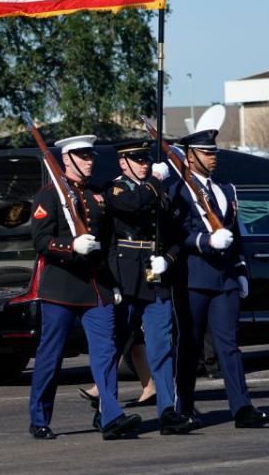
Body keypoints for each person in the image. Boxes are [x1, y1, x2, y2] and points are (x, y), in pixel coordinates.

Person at [27, 135, 141, 440]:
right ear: (67, 160)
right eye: (83, 156)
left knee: (105, 354)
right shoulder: (49, 196)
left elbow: (108, 244)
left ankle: (110, 415)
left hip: (95, 289)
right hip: (62, 289)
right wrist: (70, 246)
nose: (90, 162)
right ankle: (39, 417)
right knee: (51, 356)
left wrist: (113, 282)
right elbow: (40, 242)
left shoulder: (94, 196)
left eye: (91, 156)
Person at [169, 129, 269, 429]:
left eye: (214, 152)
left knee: (229, 345)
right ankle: (184, 406)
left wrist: (240, 270)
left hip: (224, 278)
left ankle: (242, 407)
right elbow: (177, 234)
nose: (213, 157)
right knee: (189, 345)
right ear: (190, 156)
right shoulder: (179, 191)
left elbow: (234, 232)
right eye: (207, 153)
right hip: (194, 277)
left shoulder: (226, 189)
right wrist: (205, 242)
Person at [98, 140, 192, 434]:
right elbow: (133, 203)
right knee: (114, 346)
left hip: (155, 275)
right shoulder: (115, 189)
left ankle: (167, 410)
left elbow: (177, 235)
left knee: (162, 345)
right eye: (138, 160)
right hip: (125, 277)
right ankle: (107, 410)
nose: (144, 164)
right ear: (123, 163)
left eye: (146, 160)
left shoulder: (158, 187)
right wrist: (154, 182)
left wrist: (168, 258)